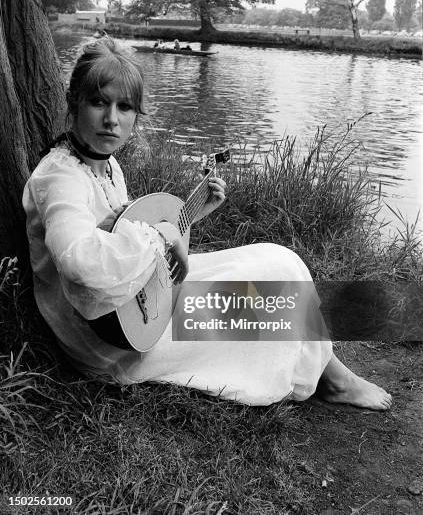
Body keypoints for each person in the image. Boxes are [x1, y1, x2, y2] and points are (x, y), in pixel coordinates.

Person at [22, 38, 392, 410]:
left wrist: (192, 215)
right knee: (269, 281)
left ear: (137, 115)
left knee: (281, 260)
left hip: (130, 303)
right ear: (74, 102)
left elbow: (120, 232)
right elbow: (82, 261)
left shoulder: (105, 164)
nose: (112, 119)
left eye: (125, 107)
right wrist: (162, 234)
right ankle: (334, 380)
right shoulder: (61, 178)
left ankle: (330, 372)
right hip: (109, 340)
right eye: (99, 102)